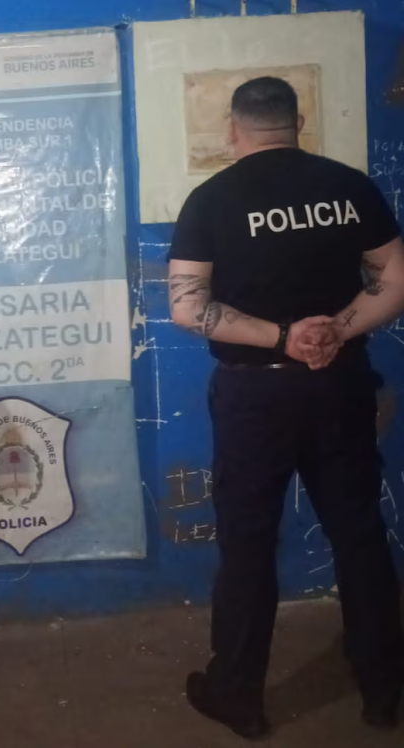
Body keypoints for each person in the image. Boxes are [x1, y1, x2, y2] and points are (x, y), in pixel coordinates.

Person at [168, 76, 404, 739]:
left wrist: (282, 338)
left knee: (247, 545)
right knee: (358, 533)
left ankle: (239, 697)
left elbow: (187, 307)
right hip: (339, 381)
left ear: (233, 130)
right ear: (299, 123)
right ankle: (383, 691)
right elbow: (396, 279)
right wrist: (334, 331)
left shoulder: (211, 199)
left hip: (255, 395)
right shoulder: (349, 186)